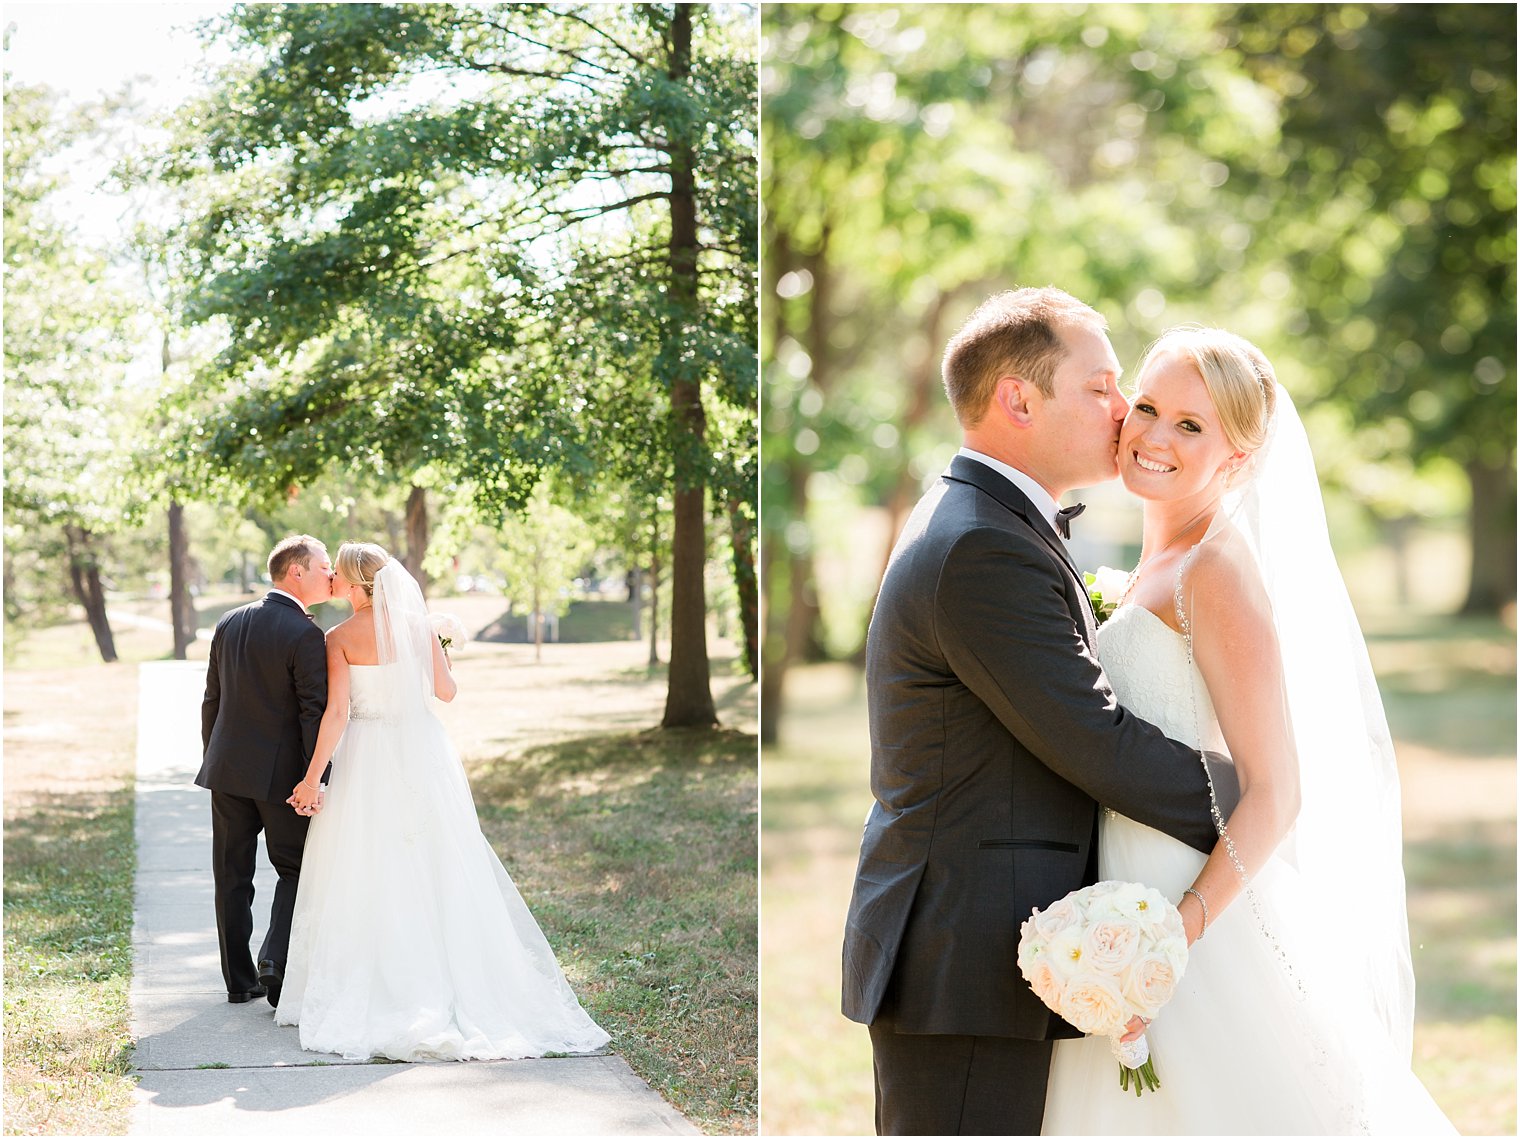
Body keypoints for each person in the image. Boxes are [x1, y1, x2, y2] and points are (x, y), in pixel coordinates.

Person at [841, 288, 1239, 1135]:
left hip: (982, 953)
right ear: (1019, 399)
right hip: (964, 964)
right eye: (1100, 387)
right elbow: (1095, 738)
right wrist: (1262, 807)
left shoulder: (988, 519)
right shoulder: (983, 544)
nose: (1124, 410)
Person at [1041, 327, 1455, 1134]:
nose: (1154, 435)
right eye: (1150, 406)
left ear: (1239, 454)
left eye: (1192, 426)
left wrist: (1173, 935)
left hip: (1196, 919)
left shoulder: (1215, 570)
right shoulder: (1151, 563)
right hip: (1120, 902)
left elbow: (1277, 790)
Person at [274, 542, 610, 1062]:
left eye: (337, 575)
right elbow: (447, 692)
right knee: (437, 861)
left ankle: (383, 983)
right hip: (422, 753)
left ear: (358, 585)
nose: (333, 583)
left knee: (366, 864)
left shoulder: (338, 638)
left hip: (367, 754)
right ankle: (450, 981)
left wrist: (313, 777)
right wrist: (438, 645)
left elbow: (336, 713)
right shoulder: (418, 627)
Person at [198, 534, 333, 1006]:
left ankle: (239, 981)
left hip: (227, 772)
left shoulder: (229, 621)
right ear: (296, 571)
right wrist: (315, 779)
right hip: (285, 780)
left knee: (230, 874)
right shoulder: (305, 633)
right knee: (295, 868)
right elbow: (312, 711)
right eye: (323, 566)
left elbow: (212, 700)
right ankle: (274, 959)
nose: (330, 574)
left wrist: (212, 760)